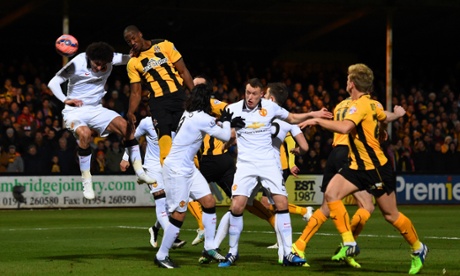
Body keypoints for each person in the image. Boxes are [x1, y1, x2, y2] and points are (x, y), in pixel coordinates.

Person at [299, 63, 427, 275]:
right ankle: (349, 242)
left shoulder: (360, 106)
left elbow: (345, 127)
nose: (346, 82)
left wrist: (316, 121)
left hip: (376, 169)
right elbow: (384, 115)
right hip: (356, 166)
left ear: (353, 84)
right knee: (331, 194)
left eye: (349, 79)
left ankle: (418, 248)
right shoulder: (372, 104)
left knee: (391, 215)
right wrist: (397, 114)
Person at [218, 78, 332, 268]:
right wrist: (226, 133)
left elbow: (293, 118)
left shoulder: (270, 108)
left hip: (268, 164)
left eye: (254, 93)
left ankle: (288, 253)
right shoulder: (233, 108)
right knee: (237, 206)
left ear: (262, 94)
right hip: (246, 165)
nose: (250, 97)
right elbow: (222, 129)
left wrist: (313, 113)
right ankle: (232, 252)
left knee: (282, 203)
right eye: (247, 92)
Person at [292, 91, 407, 268]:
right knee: (367, 205)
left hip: (335, 153)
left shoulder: (339, 106)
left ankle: (299, 247)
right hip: (350, 154)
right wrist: (398, 114)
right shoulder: (367, 104)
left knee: (326, 207)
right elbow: (383, 119)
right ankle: (348, 246)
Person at [48, 41, 155, 200]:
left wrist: (137, 52)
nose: (99, 68)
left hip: (96, 109)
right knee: (85, 134)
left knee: (127, 127)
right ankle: (87, 180)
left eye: (103, 65)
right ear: (89, 58)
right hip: (74, 111)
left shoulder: (112, 58)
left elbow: (128, 58)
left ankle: (140, 172)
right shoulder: (77, 62)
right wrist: (65, 99)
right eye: (96, 64)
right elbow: (53, 82)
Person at [153, 84, 235, 269]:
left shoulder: (189, 113)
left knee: (208, 202)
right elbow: (224, 135)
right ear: (206, 100)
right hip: (177, 170)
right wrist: (227, 120)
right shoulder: (201, 117)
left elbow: (210, 127)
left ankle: (209, 247)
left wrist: (220, 123)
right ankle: (161, 255)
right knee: (179, 213)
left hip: (187, 167)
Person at [123, 25, 194, 167]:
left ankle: (194, 166)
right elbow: (136, 92)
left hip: (178, 96)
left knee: (186, 134)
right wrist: (131, 111)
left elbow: (183, 71)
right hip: (158, 102)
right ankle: (167, 168)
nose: (132, 43)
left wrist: (195, 94)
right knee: (164, 133)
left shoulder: (164, 45)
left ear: (140, 34)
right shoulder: (133, 62)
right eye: (128, 41)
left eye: (133, 38)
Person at [119, 116, 186, 250]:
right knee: (161, 200)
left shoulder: (176, 120)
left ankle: (155, 229)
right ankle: (171, 237)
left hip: (169, 167)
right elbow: (132, 138)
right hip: (152, 167)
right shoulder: (146, 122)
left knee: (171, 205)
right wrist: (125, 158)